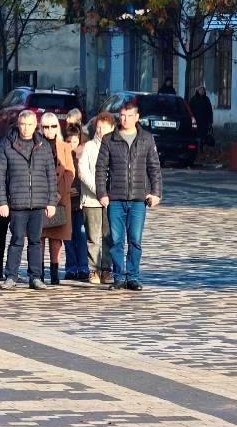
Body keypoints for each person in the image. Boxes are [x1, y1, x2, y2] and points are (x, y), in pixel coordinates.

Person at [96, 100, 163, 290]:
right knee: (116, 241)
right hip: (115, 198)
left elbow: (154, 168)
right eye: (122, 115)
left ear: (137, 117)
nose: (124, 119)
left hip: (138, 200)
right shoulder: (109, 139)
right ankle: (118, 277)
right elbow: (100, 169)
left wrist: (156, 192)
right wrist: (102, 193)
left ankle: (133, 277)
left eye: (129, 116)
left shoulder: (147, 139)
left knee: (135, 240)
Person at [0, 110, 57, 291]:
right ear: (18, 124)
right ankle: (11, 276)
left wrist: (51, 201)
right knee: (16, 240)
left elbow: (50, 176)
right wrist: (2, 202)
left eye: (30, 124)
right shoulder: (8, 144)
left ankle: (36, 276)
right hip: (17, 202)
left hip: (38, 202)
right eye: (23, 124)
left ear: (35, 125)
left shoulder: (43, 145)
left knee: (36, 241)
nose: (26, 128)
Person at [78, 112, 115, 285]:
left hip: (111, 200)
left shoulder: (115, 146)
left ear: (112, 129)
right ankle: (93, 269)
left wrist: (108, 193)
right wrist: (99, 191)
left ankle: (107, 269)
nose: (100, 131)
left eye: (104, 128)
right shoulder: (88, 147)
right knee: (93, 237)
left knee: (109, 236)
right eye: (98, 127)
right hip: (92, 199)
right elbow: (83, 172)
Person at [39, 112, 74, 285]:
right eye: (46, 126)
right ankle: (39, 271)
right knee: (39, 235)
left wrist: (58, 194)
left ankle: (54, 271)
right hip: (40, 198)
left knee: (56, 236)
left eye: (53, 126)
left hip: (60, 198)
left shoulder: (65, 147)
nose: (49, 130)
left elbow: (70, 172)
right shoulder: (36, 145)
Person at [61, 111, 89, 281]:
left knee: (81, 234)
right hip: (65, 202)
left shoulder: (83, 155)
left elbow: (85, 175)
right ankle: (71, 267)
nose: (72, 144)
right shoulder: (62, 155)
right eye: (69, 141)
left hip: (80, 202)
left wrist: (78, 189)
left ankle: (83, 267)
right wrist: (65, 190)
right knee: (68, 237)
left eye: (75, 141)